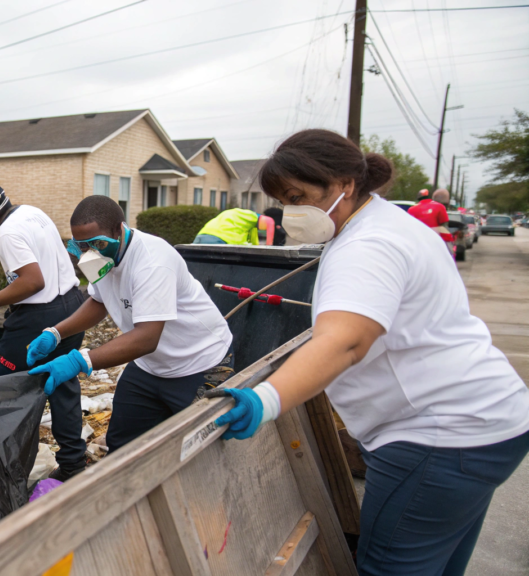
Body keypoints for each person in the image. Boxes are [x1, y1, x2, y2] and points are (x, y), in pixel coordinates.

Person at [213, 129, 529, 575]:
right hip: (488, 421)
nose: (291, 212)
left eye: (299, 196)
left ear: (344, 183)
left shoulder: (368, 245)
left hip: (439, 435)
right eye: (285, 201)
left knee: (389, 567)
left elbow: (345, 339)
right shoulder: (386, 225)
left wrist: (266, 398)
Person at [26, 196, 235, 453]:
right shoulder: (100, 258)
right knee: (122, 446)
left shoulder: (152, 262)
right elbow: (99, 301)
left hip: (198, 363)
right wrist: (56, 332)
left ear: (119, 230)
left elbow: (146, 338)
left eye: (97, 243)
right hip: (150, 366)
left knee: (199, 449)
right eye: (80, 246)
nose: (89, 253)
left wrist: (80, 361)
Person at [0, 182, 88, 480]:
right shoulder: (32, 212)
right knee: (63, 386)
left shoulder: (6, 233)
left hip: (36, 318)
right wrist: (8, 291)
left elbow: (32, 282)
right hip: (71, 306)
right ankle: (73, 464)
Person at [193, 208, 276, 245]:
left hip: (201, 237)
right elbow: (269, 221)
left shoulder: (241, 222)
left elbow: (255, 245)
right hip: (220, 239)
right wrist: (268, 245)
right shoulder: (251, 216)